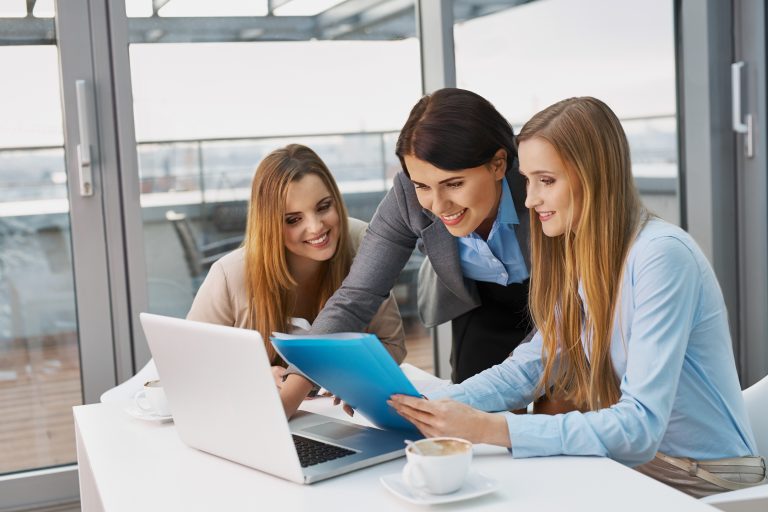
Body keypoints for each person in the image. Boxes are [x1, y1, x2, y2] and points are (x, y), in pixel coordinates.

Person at [388, 97, 766, 498]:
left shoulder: (661, 256)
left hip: (704, 479)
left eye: (546, 181)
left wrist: (489, 428)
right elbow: (531, 368)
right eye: (528, 180)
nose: (530, 199)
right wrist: (426, 402)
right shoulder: (583, 257)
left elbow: (639, 427)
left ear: (594, 176)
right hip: (641, 466)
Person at [280, 88, 544, 416]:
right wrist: (289, 394)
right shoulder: (407, 194)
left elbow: (540, 355)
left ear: (498, 164)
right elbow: (356, 296)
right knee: (472, 419)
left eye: (454, 184)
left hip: (555, 297)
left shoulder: (538, 186)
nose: (439, 205)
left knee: (553, 407)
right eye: (423, 186)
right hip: (480, 301)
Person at [187, 143, 406, 391]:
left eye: (324, 206)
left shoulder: (363, 243)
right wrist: (253, 374)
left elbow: (392, 344)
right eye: (293, 219)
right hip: (264, 411)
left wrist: (336, 379)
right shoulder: (230, 275)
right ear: (269, 224)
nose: (316, 227)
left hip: (341, 413)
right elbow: (191, 360)